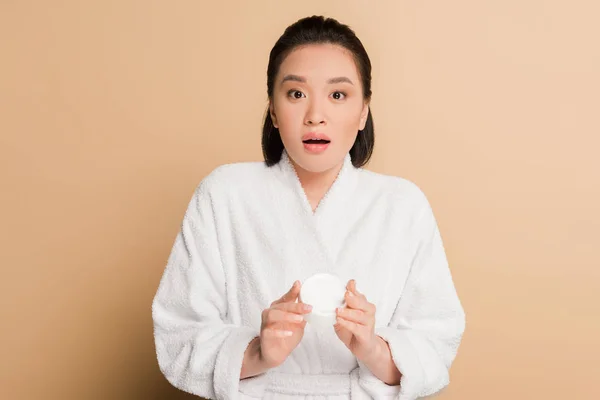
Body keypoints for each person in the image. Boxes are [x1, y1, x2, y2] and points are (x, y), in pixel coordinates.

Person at [152, 15, 466, 400]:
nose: (316, 114)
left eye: (338, 95)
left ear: (364, 111)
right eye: (296, 94)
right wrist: (257, 352)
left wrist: (373, 349)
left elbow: (435, 342)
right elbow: (178, 335)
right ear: (272, 109)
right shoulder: (223, 194)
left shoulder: (403, 206)